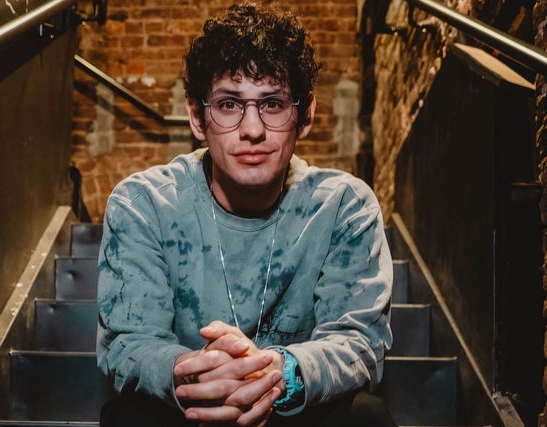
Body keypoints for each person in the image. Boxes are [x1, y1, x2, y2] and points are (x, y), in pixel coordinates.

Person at [96, 3, 395, 426]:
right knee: (129, 416)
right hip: (189, 411)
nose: (252, 129)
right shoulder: (143, 204)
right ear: (197, 117)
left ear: (305, 115)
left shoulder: (344, 207)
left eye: (272, 104)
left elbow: (358, 341)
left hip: (296, 413)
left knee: (367, 417)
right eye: (229, 104)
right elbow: (129, 343)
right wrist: (201, 373)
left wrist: (277, 374)